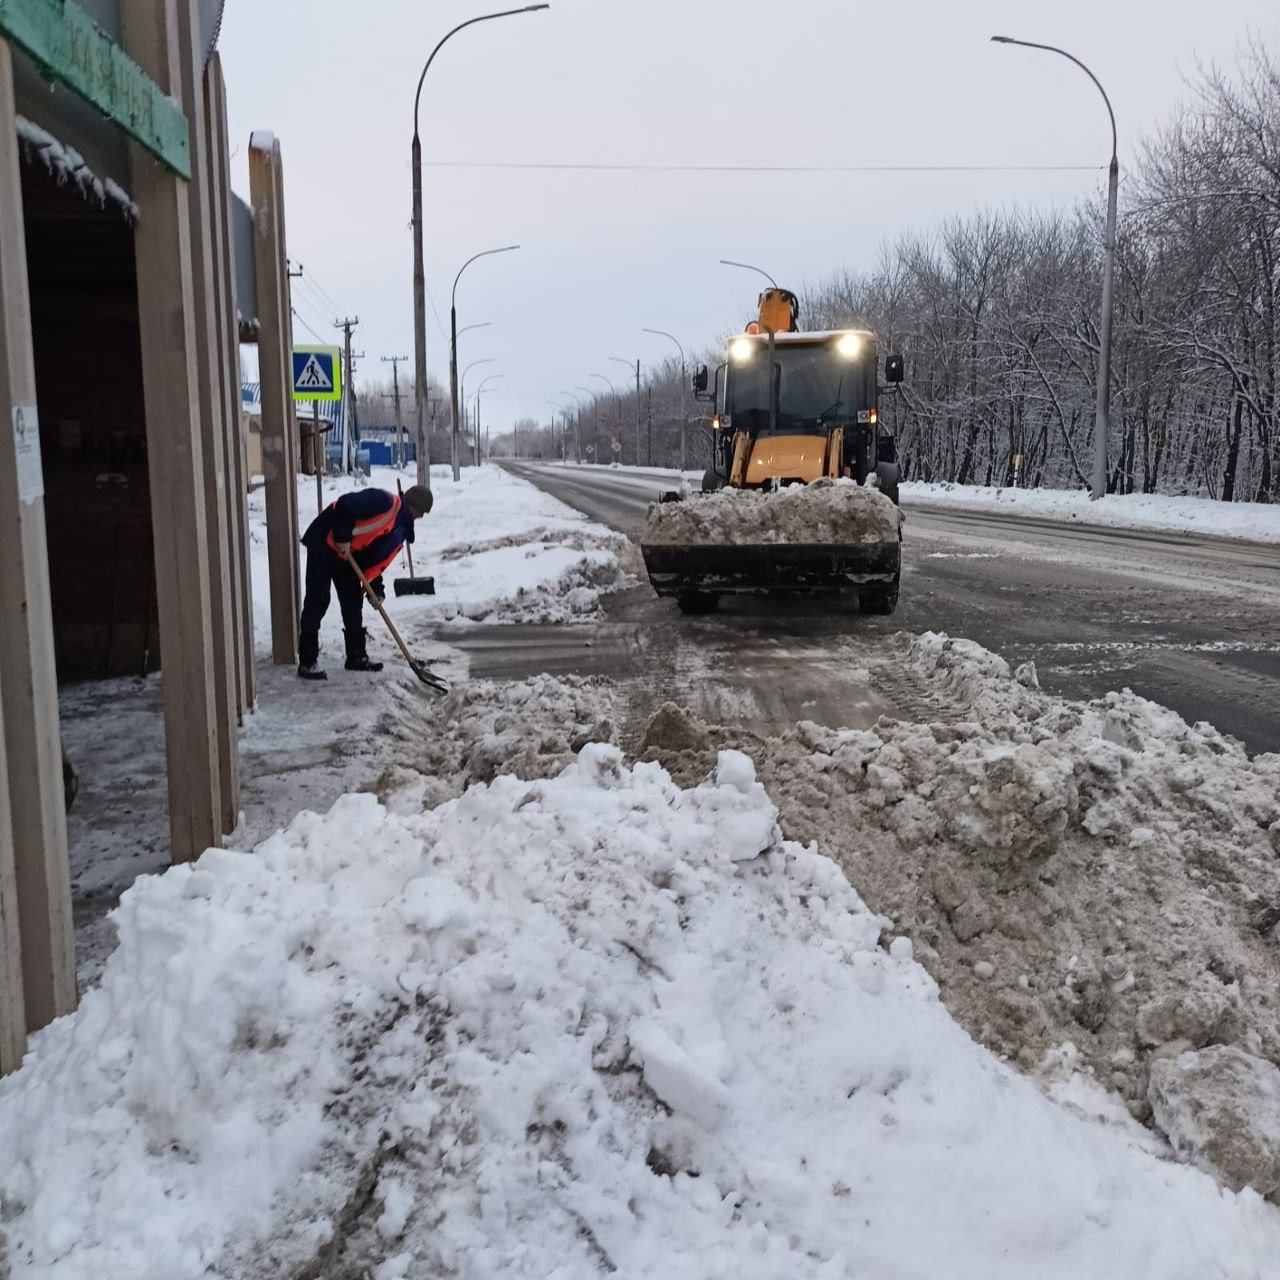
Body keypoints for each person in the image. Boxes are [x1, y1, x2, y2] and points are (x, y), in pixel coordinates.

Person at [297, 483, 433, 680]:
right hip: (324, 540)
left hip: (347, 553)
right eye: (421, 511)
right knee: (318, 599)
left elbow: (373, 558)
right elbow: (344, 505)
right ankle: (307, 662)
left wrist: (376, 589)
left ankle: (356, 657)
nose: (421, 516)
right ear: (412, 505)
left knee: (352, 600)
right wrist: (343, 537)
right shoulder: (384, 502)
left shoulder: (399, 529)